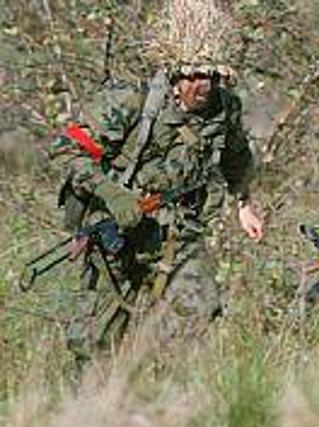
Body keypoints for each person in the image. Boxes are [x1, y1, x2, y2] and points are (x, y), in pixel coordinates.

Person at [47, 0, 264, 368]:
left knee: (199, 307)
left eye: (211, 76)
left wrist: (243, 203)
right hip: (116, 230)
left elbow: (237, 157)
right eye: (194, 76)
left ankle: (157, 389)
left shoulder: (226, 107)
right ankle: (91, 412)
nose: (203, 86)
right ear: (175, 75)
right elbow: (68, 152)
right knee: (95, 342)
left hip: (178, 231)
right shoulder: (132, 99)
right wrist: (112, 195)